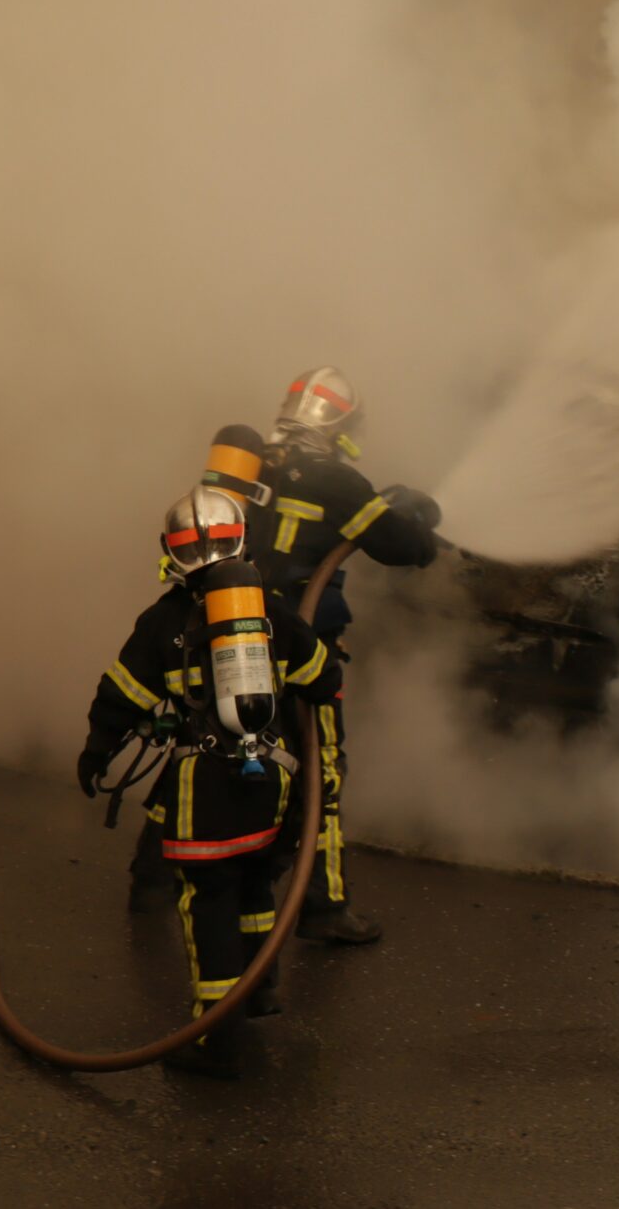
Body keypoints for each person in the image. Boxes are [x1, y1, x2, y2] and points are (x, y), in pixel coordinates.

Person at [77, 485, 338, 1073]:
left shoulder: (162, 622)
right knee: (254, 888)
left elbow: (120, 697)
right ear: (241, 540)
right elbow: (322, 679)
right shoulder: (270, 610)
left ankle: (219, 1038)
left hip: (206, 791)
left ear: (172, 555)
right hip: (274, 783)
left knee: (208, 900)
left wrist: (96, 752)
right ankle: (260, 991)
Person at [246, 366, 442, 946]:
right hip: (301, 650)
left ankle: (151, 880)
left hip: (230, 636)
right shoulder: (338, 481)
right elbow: (403, 548)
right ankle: (323, 906)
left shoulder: (250, 464)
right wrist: (418, 520)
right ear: (341, 423)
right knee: (320, 771)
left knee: (202, 746)